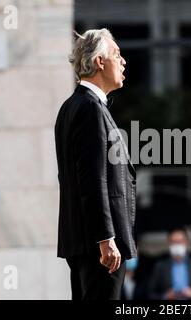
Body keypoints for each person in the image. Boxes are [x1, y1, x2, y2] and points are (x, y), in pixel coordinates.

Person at [54, 28, 137, 300]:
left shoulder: (73, 105)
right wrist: (106, 239)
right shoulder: (89, 107)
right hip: (100, 248)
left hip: (85, 243)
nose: (123, 61)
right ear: (100, 61)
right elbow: (92, 178)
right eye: (117, 54)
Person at [148, 228, 191, 300]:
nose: (177, 245)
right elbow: (150, 294)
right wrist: (165, 296)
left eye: (180, 241)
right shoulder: (160, 266)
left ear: (186, 242)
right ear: (169, 243)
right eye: (174, 242)